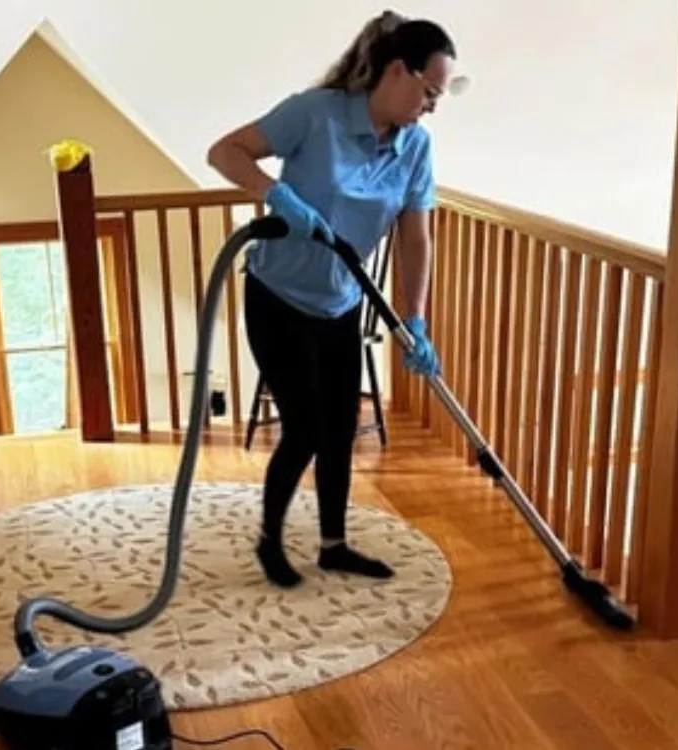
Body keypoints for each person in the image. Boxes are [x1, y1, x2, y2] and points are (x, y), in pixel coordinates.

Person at [206, 11, 464, 588]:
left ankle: (333, 544)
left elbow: (416, 237)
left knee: (340, 429)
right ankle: (270, 539)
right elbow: (224, 152)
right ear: (397, 71)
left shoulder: (416, 148)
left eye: (438, 97)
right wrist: (279, 196)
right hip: (277, 297)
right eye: (428, 91)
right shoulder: (315, 112)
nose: (431, 106)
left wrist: (415, 319)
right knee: (303, 426)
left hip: (341, 303)